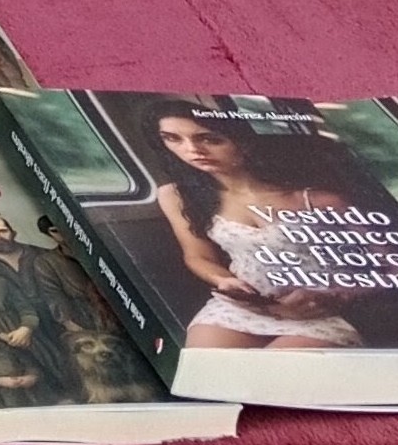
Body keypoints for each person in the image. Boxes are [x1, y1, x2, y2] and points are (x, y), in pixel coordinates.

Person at [147, 109, 368, 351]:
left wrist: (339, 295)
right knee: (206, 365)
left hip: (319, 310)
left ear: (244, 142)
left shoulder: (321, 199)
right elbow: (198, 256)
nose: (192, 150)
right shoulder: (177, 195)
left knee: (269, 370)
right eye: (173, 139)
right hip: (244, 307)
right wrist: (225, 280)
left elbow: (393, 265)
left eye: (209, 139)